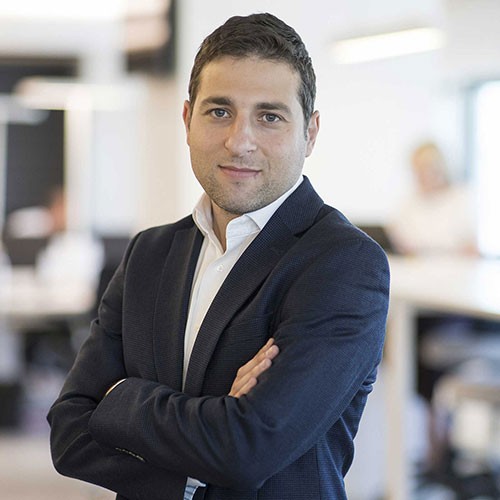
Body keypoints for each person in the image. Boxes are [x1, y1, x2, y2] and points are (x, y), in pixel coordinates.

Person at [47, 13, 390, 500]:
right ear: (188, 120)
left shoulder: (344, 264)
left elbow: (248, 449)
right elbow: (69, 431)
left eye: (269, 117)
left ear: (310, 133)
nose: (239, 141)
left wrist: (122, 398)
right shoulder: (149, 253)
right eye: (220, 111)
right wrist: (208, 441)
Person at [387, 141, 476, 256]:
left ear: (441, 168)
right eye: (417, 171)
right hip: (416, 265)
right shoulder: (408, 203)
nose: (422, 176)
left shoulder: (462, 198)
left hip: (456, 264)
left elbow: (468, 243)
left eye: (426, 169)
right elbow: (401, 242)